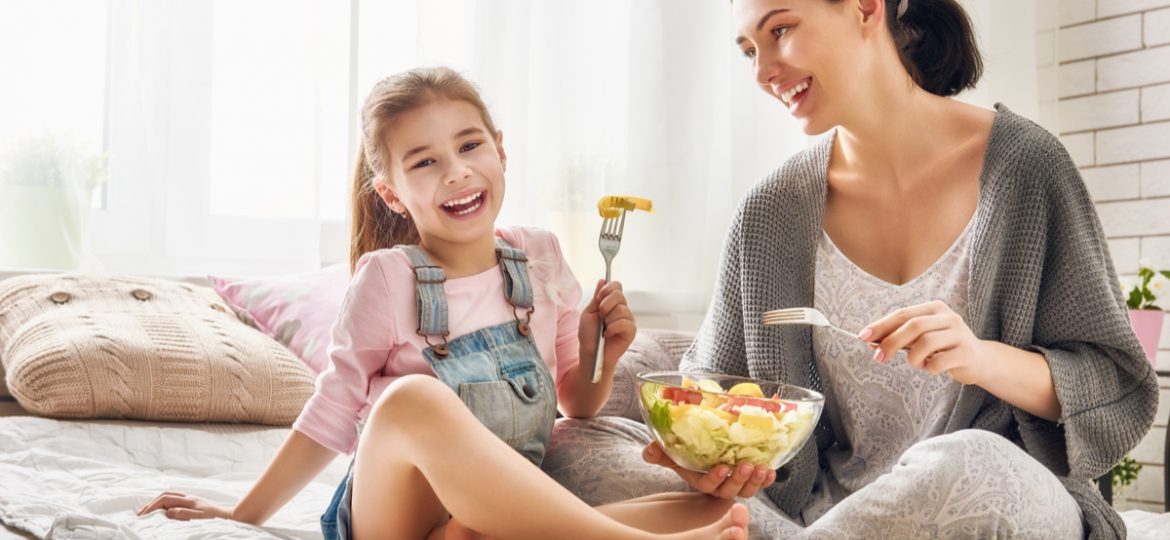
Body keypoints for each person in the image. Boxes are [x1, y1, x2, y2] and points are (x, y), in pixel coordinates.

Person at [547, 0, 1158, 538]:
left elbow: (1116, 382)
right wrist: (704, 458)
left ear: (867, 7)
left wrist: (981, 357)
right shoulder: (770, 211)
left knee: (970, 465)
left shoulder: (1024, 170)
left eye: (780, 30)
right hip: (812, 512)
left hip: (994, 494)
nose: (763, 72)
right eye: (748, 51)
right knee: (573, 447)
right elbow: (717, 385)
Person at [137, 67, 750, 540]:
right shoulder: (387, 278)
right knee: (412, 399)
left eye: (469, 146)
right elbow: (330, 413)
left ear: (501, 151)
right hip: (394, 515)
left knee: (718, 509)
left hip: (485, 520)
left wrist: (600, 353)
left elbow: (574, 402)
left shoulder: (540, 257)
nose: (456, 172)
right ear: (393, 194)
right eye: (425, 162)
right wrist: (240, 516)